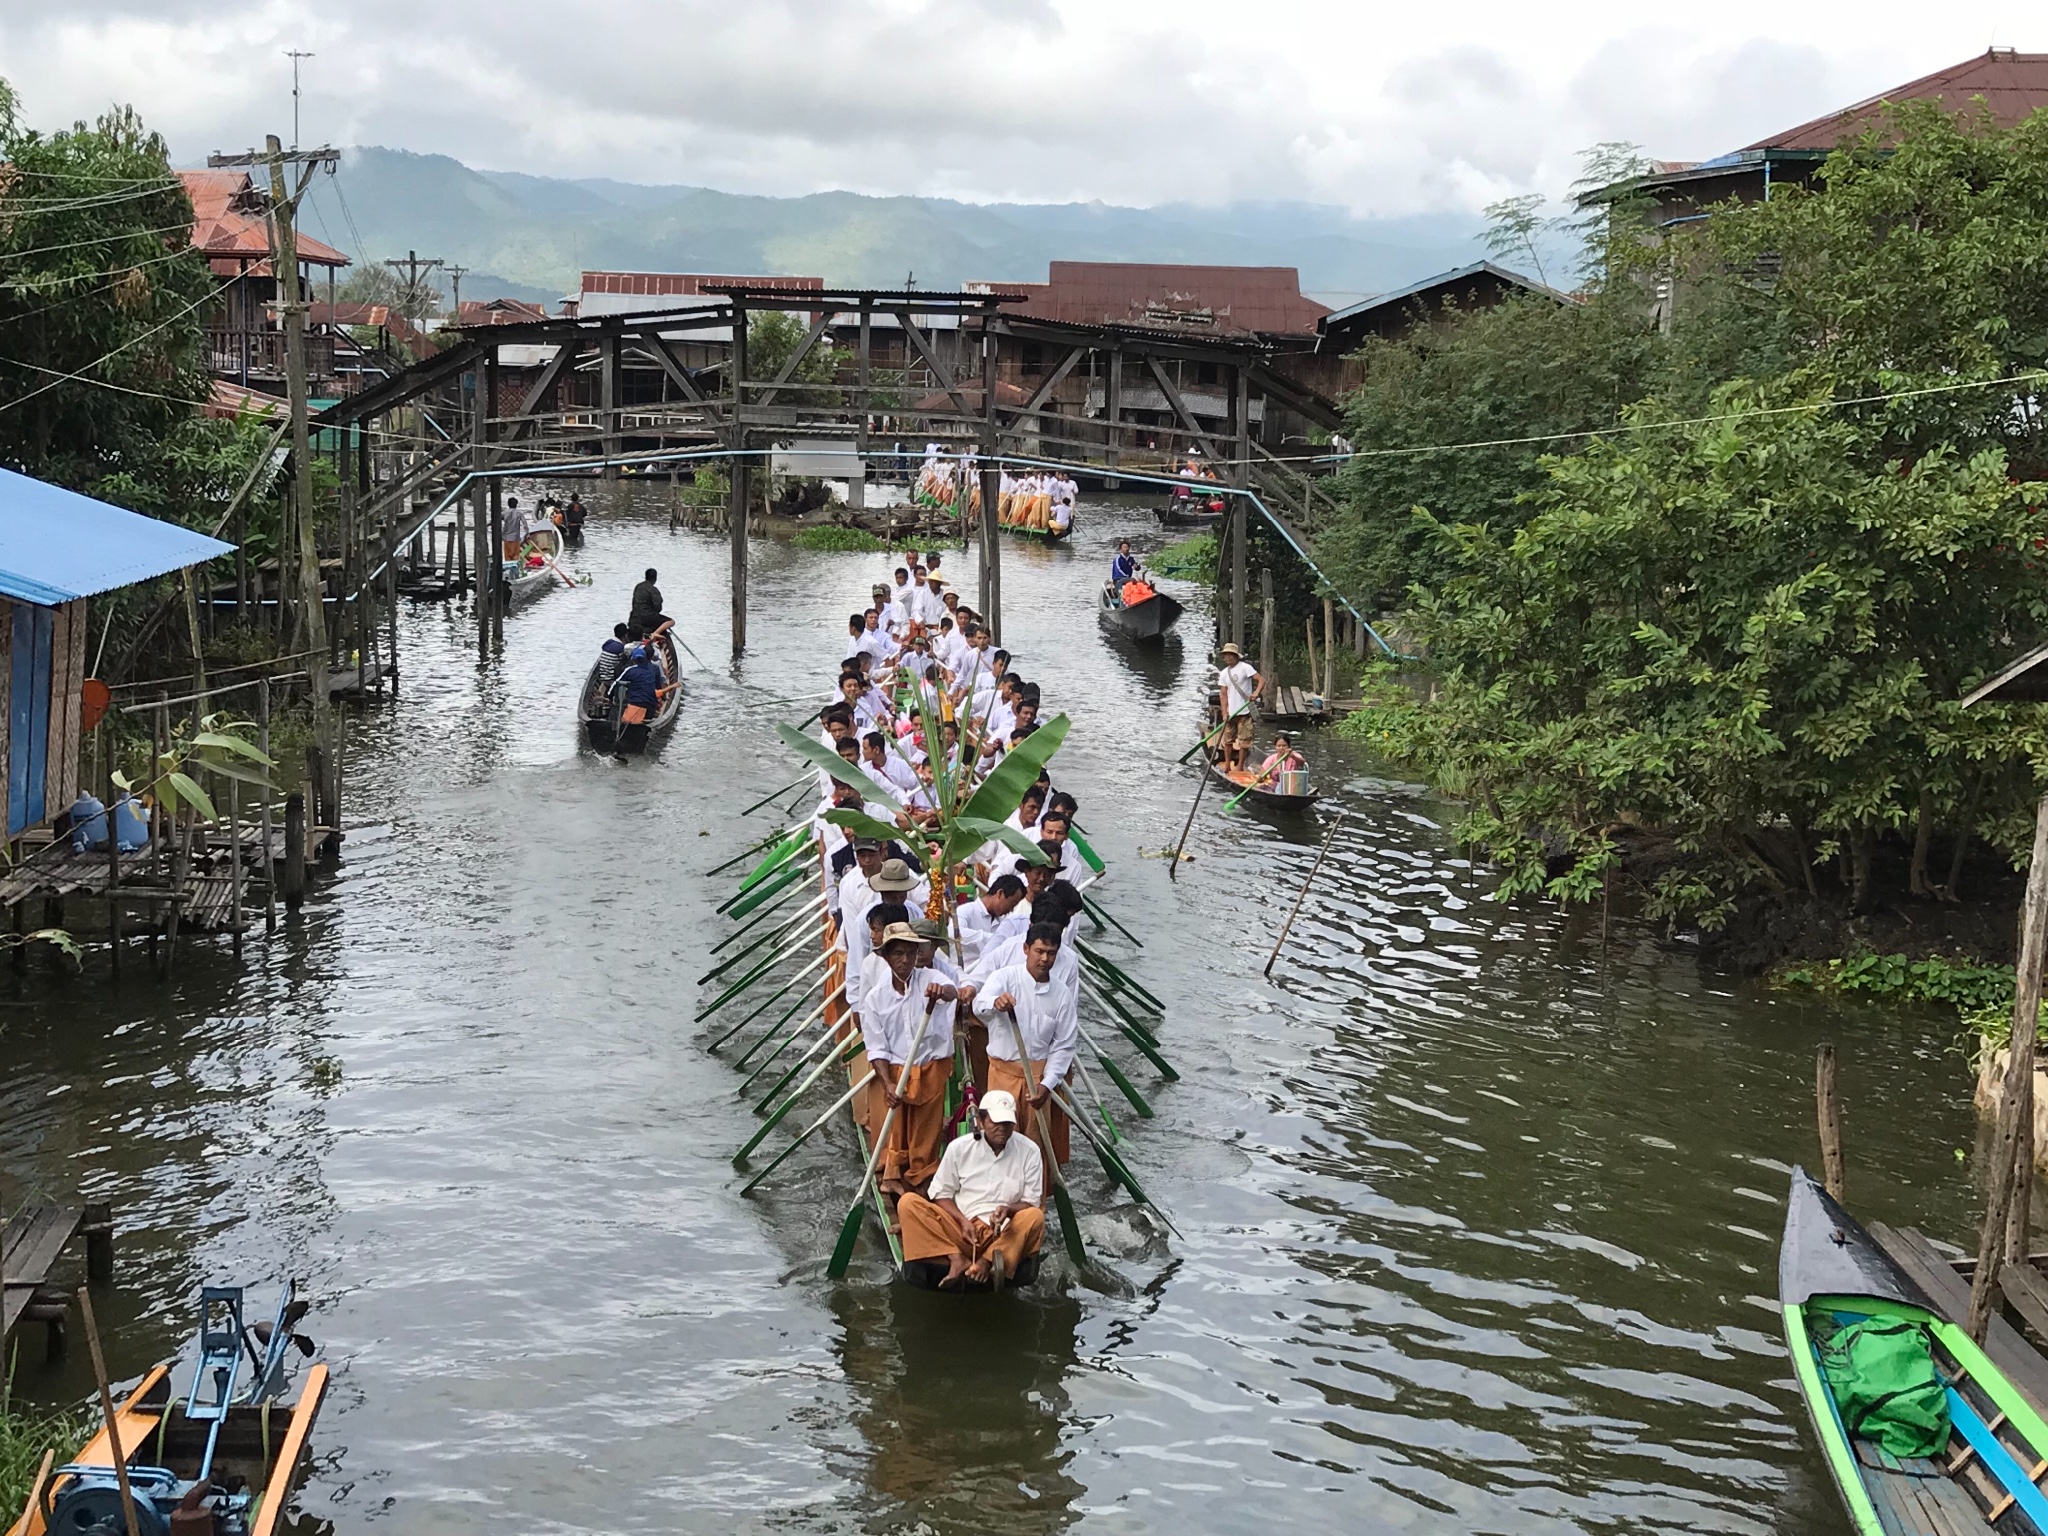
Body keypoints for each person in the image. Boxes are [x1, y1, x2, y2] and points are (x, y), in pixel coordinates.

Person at [895, 1090, 1044, 1289]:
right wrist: (962, 1221)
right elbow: (941, 1194)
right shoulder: (959, 1147)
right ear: (981, 1121)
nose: (1002, 1129)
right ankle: (956, 1257)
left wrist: (1008, 1210)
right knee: (908, 1203)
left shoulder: (1029, 1150)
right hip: (964, 1231)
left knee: (1035, 1216)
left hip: (1004, 1233)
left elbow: (1030, 1202)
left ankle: (987, 1261)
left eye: (1008, 1124)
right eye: (996, 1123)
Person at [858, 922, 960, 1194]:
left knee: (925, 1133)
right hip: (896, 1070)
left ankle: (922, 1179)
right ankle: (894, 1178)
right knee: (896, 1130)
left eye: (910, 954)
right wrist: (888, 1084)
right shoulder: (875, 999)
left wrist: (942, 993)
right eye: (898, 953)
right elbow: (876, 1048)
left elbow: (953, 991)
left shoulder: (930, 978)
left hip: (931, 1067)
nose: (904, 960)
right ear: (886, 956)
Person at [969, 923, 1078, 1168]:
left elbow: (1064, 1046)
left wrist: (1046, 1085)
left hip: (1037, 1082)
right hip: (1003, 1077)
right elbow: (979, 1005)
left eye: (1051, 953)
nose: (1045, 959)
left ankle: (1031, 1201)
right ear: (1026, 949)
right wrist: (996, 1003)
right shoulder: (1005, 977)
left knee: (1033, 1149)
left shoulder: (1062, 995)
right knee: (997, 1142)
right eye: (1039, 951)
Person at [956, 874, 1028, 969]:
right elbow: (955, 933)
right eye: (1012, 904)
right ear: (1000, 893)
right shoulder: (965, 910)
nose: (1011, 910)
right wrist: (993, 939)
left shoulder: (1004, 923)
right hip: (963, 972)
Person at [1216, 641, 1263, 774]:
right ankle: (1227, 765)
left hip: (1244, 711)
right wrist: (1224, 713)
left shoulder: (1245, 667)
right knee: (1228, 740)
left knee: (1244, 741)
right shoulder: (1224, 673)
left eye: (1230, 655)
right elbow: (1223, 694)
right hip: (1231, 713)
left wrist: (1255, 693)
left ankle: (1240, 765)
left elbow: (1261, 680)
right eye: (1226, 655)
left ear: (1236, 656)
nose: (1228, 658)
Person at [630, 568, 665, 633]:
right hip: (648, 617)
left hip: (635, 616)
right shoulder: (653, 590)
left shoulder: (638, 586)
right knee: (670, 621)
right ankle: (656, 633)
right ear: (655, 578)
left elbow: (634, 603)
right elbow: (658, 607)